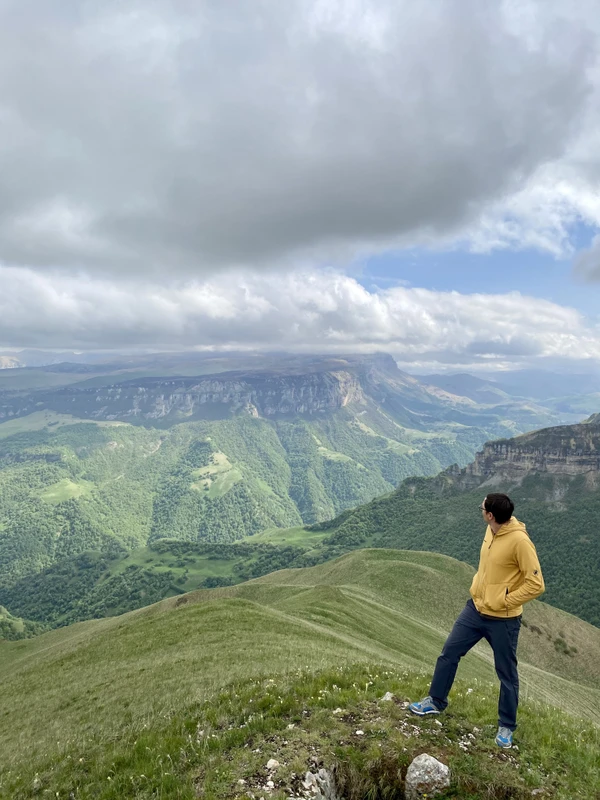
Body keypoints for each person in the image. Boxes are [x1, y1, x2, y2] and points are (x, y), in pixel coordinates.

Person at [409, 493, 545, 749]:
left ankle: (506, 726)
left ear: (490, 515)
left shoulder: (520, 541)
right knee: (449, 653)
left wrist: (505, 600)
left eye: (482, 508)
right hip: (475, 609)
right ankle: (435, 701)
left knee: (506, 673)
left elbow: (536, 584)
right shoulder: (491, 530)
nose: (480, 510)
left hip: (503, 619)